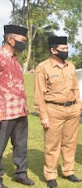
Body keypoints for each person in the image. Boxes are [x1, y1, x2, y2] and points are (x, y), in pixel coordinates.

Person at [34, 36, 82, 188]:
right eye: (63, 49)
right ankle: (50, 175)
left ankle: (68, 171)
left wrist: (78, 105)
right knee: (52, 145)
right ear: (53, 50)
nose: (66, 51)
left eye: (67, 48)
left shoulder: (71, 66)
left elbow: (76, 87)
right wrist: (43, 116)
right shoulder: (43, 67)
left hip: (72, 109)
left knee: (70, 143)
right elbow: (39, 94)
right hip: (53, 110)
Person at [0, 25, 35, 188]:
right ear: (10, 39)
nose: (24, 44)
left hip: (20, 110)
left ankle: (21, 174)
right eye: (22, 40)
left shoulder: (15, 60)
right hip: (5, 112)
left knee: (21, 145)